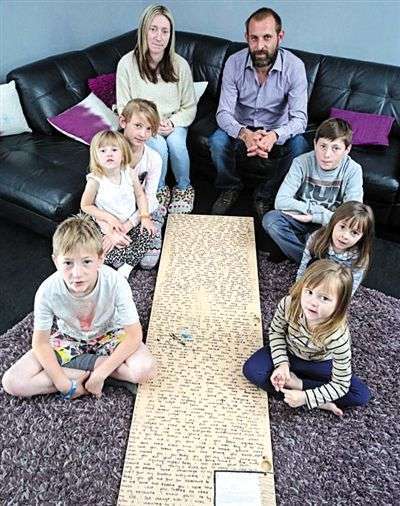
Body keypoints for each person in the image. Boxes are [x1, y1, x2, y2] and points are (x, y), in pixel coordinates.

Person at [2, 214, 156, 399]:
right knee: (13, 382)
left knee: (146, 369)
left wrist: (100, 374)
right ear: (55, 261)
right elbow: (41, 343)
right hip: (69, 338)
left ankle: (85, 370)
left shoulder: (115, 282)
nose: (77, 273)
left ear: (100, 259)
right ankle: (105, 373)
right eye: (68, 263)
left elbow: (134, 335)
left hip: (111, 335)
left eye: (87, 262)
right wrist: (63, 384)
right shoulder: (47, 291)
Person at [209, 7, 309, 218]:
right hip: (242, 127)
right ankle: (230, 187)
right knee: (217, 141)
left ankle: (265, 194)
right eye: (254, 38)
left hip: (276, 129)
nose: (260, 46)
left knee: (300, 146)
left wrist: (274, 136)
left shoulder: (295, 67)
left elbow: (300, 119)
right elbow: (223, 113)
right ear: (246, 37)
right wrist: (244, 134)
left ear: (280, 37)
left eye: (267, 37)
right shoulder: (234, 63)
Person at [243, 259, 370, 417]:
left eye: (324, 298)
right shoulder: (289, 304)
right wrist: (282, 364)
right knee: (252, 370)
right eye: (309, 292)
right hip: (290, 351)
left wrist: (305, 394)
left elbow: (341, 384)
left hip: (320, 363)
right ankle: (315, 399)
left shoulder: (338, 336)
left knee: (360, 394)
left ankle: (303, 391)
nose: (313, 302)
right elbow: (276, 332)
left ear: (340, 305)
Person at [116, 4, 197, 214]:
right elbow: (124, 106)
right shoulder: (126, 64)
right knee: (158, 146)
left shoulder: (180, 65)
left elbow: (189, 106)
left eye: (164, 31)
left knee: (177, 145)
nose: (158, 37)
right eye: (153, 29)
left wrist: (173, 123)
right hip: (143, 124)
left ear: (171, 35)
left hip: (173, 121)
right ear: (143, 30)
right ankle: (158, 190)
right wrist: (150, 125)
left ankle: (184, 188)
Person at [263, 118, 363, 263]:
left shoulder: (353, 170)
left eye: (335, 148)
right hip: (300, 218)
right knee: (271, 220)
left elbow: (352, 216)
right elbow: (281, 201)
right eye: (323, 146)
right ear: (315, 143)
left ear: (347, 150)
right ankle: (314, 263)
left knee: (351, 241)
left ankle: (295, 250)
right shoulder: (301, 162)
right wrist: (311, 211)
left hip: (330, 224)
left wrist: (315, 217)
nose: (327, 154)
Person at [81, 130, 156, 279]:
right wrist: (110, 224)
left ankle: (126, 267)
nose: (109, 154)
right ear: (96, 156)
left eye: (114, 150)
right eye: (103, 151)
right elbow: (86, 206)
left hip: (129, 222)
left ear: (123, 154)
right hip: (106, 226)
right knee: (97, 248)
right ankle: (121, 256)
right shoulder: (95, 180)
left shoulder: (129, 172)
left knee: (148, 233)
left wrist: (145, 217)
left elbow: (140, 195)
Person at [120, 98, 166, 269]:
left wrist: (129, 224)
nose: (143, 134)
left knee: (148, 262)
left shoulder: (154, 158)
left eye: (149, 129)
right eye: (138, 126)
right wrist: (113, 228)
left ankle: (159, 218)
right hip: (115, 209)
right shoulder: (108, 152)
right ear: (123, 122)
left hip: (144, 210)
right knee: (113, 256)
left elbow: (149, 197)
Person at [297, 201, 374, 295]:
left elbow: (351, 286)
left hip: (336, 290)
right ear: (334, 222)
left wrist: (341, 300)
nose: (345, 236)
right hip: (313, 280)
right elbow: (304, 266)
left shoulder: (359, 256)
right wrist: (298, 288)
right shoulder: (316, 238)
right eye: (342, 227)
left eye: (354, 232)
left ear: (362, 237)